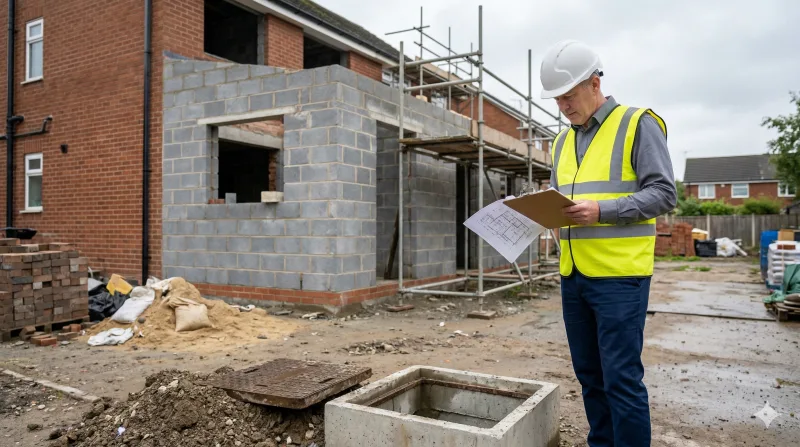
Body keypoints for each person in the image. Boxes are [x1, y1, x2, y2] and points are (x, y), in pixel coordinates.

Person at [539, 40, 677, 447]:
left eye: (569, 96)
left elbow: (664, 194)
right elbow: (557, 194)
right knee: (590, 376)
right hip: (574, 274)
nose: (563, 106)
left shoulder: (638, 124)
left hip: (619, 277)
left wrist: (603, 210)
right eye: (557, 100)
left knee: (621, 379)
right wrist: (539, 209)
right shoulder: (562, 141)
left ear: (595, 84)